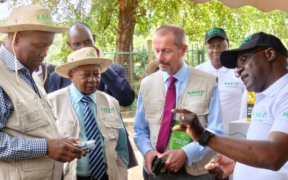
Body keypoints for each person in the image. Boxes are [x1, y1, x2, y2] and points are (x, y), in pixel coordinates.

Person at [173, 32, 288, 180]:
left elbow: (274, 155)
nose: (238, 70)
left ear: (270, 54)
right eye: (237, 66)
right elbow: (261, 141)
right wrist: (236, 161)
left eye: (243, 61)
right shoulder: (263, 95)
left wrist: (205, 136)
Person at [0, 5, 85, 180]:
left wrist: (60, 141)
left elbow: (28, 128)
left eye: (48, 46)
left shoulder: (28, 73)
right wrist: (46, 147)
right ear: (16, 38)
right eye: (39, 46)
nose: (45, 53)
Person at [133, 24, 225, 180]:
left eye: (166, 51)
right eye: (156, 51)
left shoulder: (207, 83)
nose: (160, 58)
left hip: (196, 174)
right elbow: (140, 130)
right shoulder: (146, 84)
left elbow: (216, 131)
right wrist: (147, 152)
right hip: (157, 173)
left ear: (183, 50)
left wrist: (187, 152)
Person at [48, 47, 129, 180]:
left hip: (106, 176)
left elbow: (121, 146)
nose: (93, 80)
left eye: (97, 74)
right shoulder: (52, 102)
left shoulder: (111, 102)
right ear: (71, 76)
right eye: (86, 75)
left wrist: (121, 171)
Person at [48, 22, 135, 107]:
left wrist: (102, 66)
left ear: (93, 39)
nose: (83, 47)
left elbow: (126, 100)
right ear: (69, 45)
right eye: (76, 44)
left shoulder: (114, 71)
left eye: (87, 41)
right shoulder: (57, 78)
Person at [196, 28, 245, 134]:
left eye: (220, 45)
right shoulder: (197, 72)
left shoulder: (240, 71)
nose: (216, 50)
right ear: (206, 48)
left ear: (228, 44)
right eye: (211, 47)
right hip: (205, 140)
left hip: (234, 137)